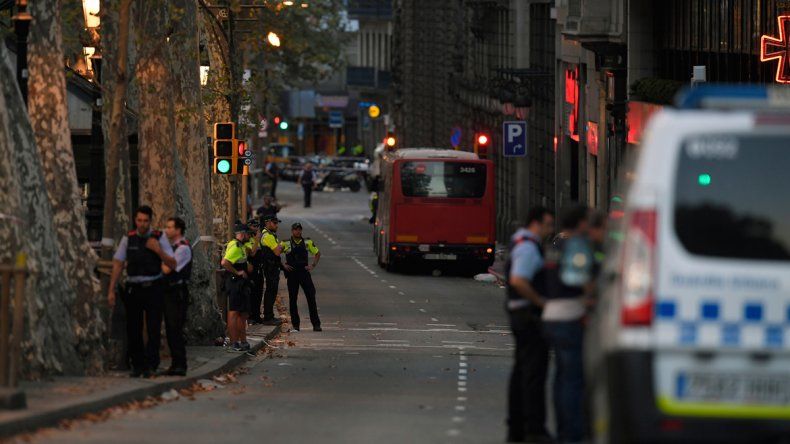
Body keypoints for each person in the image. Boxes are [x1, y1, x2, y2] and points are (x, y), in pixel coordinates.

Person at [542, 205, 593, 444]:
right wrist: (590, 292)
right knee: (573, 378)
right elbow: (577, 277)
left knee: (562, 377)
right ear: (581, 223)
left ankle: (563, 429)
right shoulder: (576, 246)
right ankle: (572, 433)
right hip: (570, 315)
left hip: (551, 313)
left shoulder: (554, 247)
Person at [108, 205, 177, 378]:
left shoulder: (159, 237)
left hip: (154, 287)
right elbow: (118, 264)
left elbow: (173, 264)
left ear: (150, 221)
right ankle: (137, 365)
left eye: (146, 221)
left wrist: (158, 250)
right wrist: (111, 290)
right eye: (139, 220)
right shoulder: (128, 239)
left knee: (154, 327)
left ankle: (151, 364)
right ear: (135, 220)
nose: (142, 224)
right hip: (134, 288)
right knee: (133, 328)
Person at [506, 206, 554, 443]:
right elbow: (518, 279)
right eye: (547, 224)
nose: (550, 229)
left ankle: (517, 427)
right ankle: (533, 428)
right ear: (536, 223)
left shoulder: (520, 241)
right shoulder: (527, 246)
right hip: (528, 316)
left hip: (519, 314)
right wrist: (541, 302)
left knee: (521, 372)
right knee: (534, 373)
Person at [161, 217, 192, 376]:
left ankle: (180, 364)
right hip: (168, 292)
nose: (167, 230)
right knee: (171, 329)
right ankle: (175, 364)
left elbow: (167, 269)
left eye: (170, 227)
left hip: (177, 293)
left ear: (178, 230)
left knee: (175, 328)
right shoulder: (172, 247)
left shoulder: (183, 248)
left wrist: (158, 252)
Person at [281, 222, 322, 332]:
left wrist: (312, 265)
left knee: (311, 297)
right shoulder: (285, 243)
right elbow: (276, 253)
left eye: (299, 229)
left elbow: (317, 253)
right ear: (292, 231)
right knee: (293, 299)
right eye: (295, 229)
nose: (298, 231)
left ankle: (316, 324)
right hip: (292, 274)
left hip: (304, 273)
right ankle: (296, 325)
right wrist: (283, 265)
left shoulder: (307, 242)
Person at [220, 222, 254, 352]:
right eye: (248, 234)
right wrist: (237, 272)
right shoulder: (235, 245)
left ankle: (243, 341)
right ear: (243, 234)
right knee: (234, 312)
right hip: (234, 283)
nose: (249, 237)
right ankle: (234, 342)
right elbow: (224, 262)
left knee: (243, 313)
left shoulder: (241, 246)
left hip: (241, 284)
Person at [260, 214, 284, 325]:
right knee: (271, 291)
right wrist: (282, 246)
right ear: (267, 222)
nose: (277, 225)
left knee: (272, 291)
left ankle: (269, 316)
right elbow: (277, 251)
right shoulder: (268, 236)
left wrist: (279, 246)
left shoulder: (270, 234)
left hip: (273, 267)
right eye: (274, 223)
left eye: (277, 223)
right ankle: (268, 317)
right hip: (270, 268)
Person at [245, 218, 265, 324]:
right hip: (251, 271)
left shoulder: (259, 239)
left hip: (259, 270)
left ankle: (257, 315)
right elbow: (252, 253)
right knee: (251, 293)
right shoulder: (248, 239)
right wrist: (257, 239)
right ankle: (251, 316)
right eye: (254, 226)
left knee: (259, 293)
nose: (256, 228)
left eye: (257, 226)